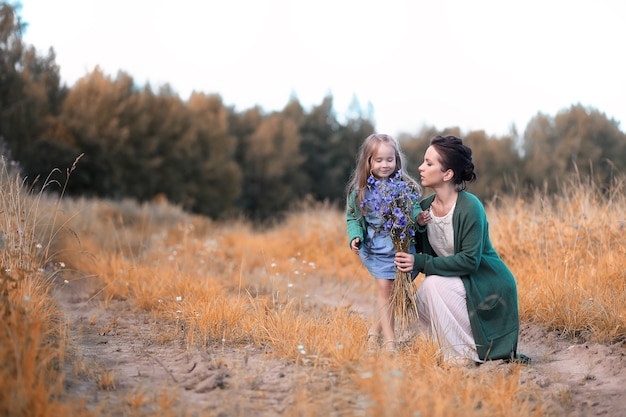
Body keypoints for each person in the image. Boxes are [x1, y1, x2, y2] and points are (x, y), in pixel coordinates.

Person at [395, 134, 520, 364]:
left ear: (448, 174)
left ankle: (464, 356)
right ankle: (458, 350)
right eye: (424, 161)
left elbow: (469, 262)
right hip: (457, 284)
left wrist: (421, 263)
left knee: (431, 285)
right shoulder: (422, 209)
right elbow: (414, 251)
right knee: (420, 298)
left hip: (486, 285)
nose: (421, 168)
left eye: (429, 163)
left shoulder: (470, 206)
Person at [346, 133, 429, 354]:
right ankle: (391, 342)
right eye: (379, 160)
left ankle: (375, 331)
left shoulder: (404, 187)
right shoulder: (361, 191)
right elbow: (354, 217)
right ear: (368, 162)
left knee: (390, 294)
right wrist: (356, 236)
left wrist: (419, 219)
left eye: (389, 160)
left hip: (400, 247)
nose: (385, 165)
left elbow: (414, 210)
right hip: (376, 249)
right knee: (385, 288)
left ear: (397, 160)